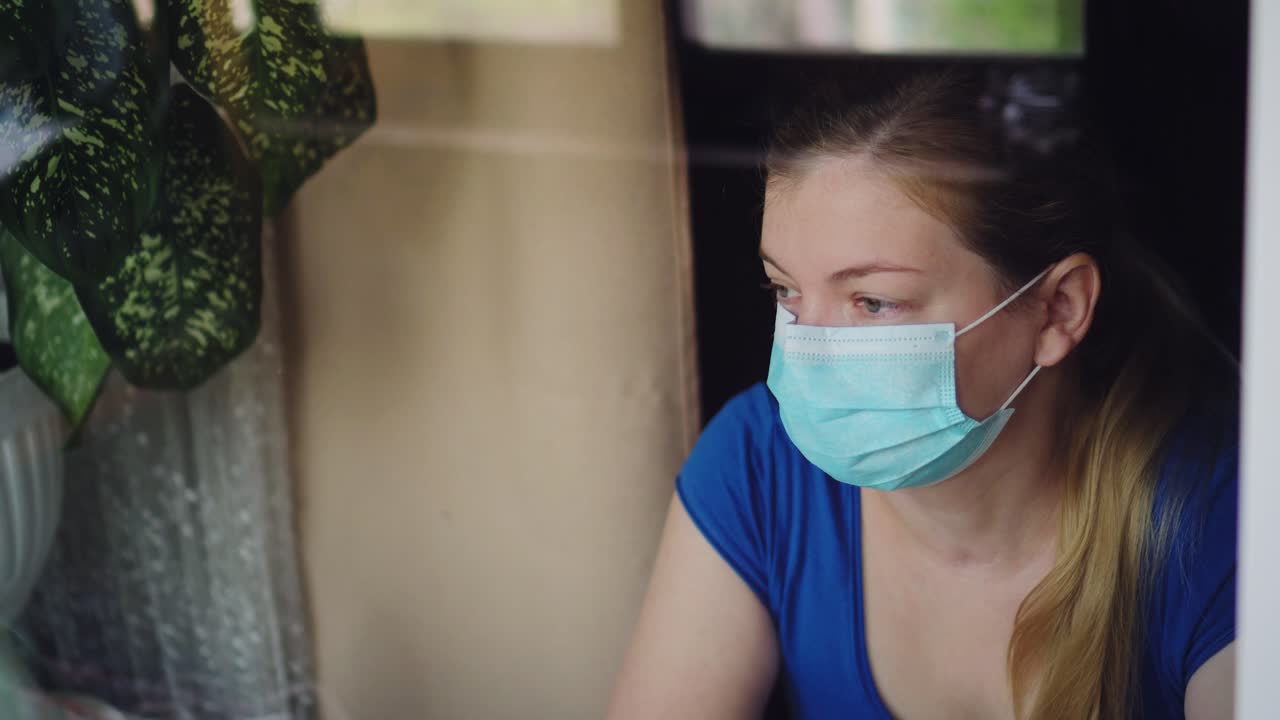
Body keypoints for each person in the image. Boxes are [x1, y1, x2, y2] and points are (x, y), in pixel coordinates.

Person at [607, 70, 1238, 720]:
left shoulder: (1223, 514)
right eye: (785, 290)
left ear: (1057, 310)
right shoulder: (759, 466)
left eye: (874, 302)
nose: (810, 350)